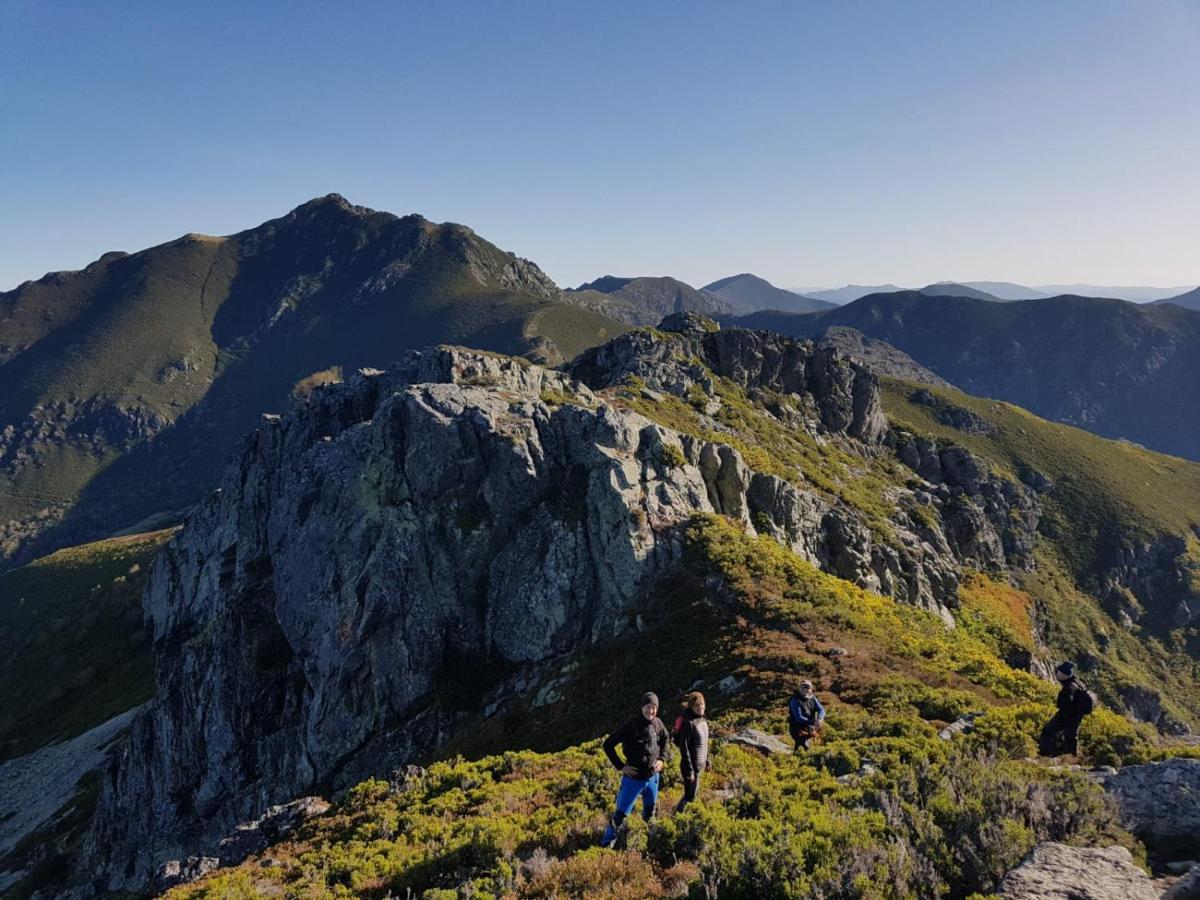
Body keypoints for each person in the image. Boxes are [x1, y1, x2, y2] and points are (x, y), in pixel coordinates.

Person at [600, 692, 672, 848]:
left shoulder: (658, 723)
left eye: (653, 708)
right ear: (642, 707)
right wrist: (621, 766)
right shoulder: (631, 725)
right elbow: (608, 744)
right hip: (633, 779)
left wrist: (662, 759)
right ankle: (606, 845)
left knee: (650, 812)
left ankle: (648, 840)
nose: (650, 711)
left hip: (652, 779)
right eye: (648, 707)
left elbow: (666, 739)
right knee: (620, 815)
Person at [1038, 661, 1094, 757]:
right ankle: (1072, 758)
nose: (1057, 673)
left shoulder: (1068, 688)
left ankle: (1043, 755)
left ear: (1063, 674)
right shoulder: (1077, 683)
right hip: (1077, 717)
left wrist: (1062, 717)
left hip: (1067, 717)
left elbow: (1066, 704)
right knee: (1071, 738)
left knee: (1047, 731)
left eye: (1059, 672)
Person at [673, 691, 710, 813]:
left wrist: (707, 760)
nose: (701, 708)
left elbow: (704, 743)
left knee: (691, 794)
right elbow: (684, 748)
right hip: (691, 768)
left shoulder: (702, 720)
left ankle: (679, 816)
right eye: (697, 706)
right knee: (690, 796)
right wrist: (690, 771)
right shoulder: (689, 724)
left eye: (702, 704)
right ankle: (677, 817)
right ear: (692, 707)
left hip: (699, 766)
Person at [788, 679, 825, 750]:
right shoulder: (795, 700)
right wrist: (814, 722)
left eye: (807, 687)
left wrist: (820, 719)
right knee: (806, 747)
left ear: (811, 689)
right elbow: (799, 718)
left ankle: (795, 756)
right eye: (803, 687)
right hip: (797, 729)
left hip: (810, 728)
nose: (805, 689)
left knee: (801, 747)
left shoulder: (812, 698)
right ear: (800, 688)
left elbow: (821, 709)